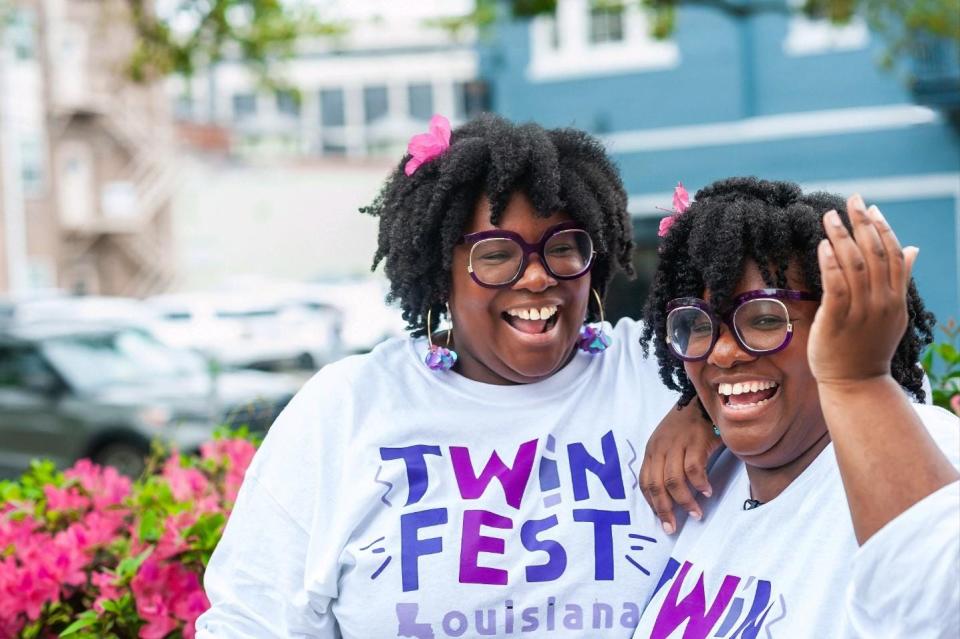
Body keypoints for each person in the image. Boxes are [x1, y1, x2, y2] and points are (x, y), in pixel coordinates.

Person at [195, 114, 719, 638]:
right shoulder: (348, 408)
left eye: (562, 247)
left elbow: (784, 361)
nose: (537, 276)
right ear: (440, 270)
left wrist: (706, 407)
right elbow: (251, 618)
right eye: (496, 255)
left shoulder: (659, 370)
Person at [633, 177, 960, 638]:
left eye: (765, 319)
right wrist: (694, 410)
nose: (723, 353)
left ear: (843, 324)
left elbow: (938, 605)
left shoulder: (929, 449)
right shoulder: (711, 480)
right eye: (699, 324)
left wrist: (861, 379)